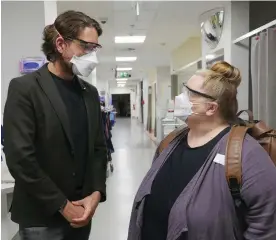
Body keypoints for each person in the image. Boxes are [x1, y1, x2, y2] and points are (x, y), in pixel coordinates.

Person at [128, 61, 276, 240]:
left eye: (189, 93)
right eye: (184, 89)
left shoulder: (246, 153)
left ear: (211, 108)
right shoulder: (170, 142)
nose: (180, 97)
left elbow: (266, 226)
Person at [4, 10, 107, 240]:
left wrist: (96, 193)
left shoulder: (89, 93)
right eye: (86, 47)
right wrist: (62, 205)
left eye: (95, 48)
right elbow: (20, 158)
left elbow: (99, 149)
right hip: (41, 219)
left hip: (82, 216)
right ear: (60, 44)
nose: (93, 56)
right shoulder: (26, 89)